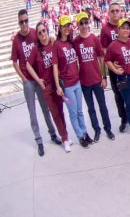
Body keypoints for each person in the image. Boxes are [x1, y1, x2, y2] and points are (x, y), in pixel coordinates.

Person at [11, 9, 60, 156]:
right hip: (28, 81)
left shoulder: (34, 33)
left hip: (39, 78)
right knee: (32, 112)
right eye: (21, 21)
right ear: (19, 23)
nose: (24, 23)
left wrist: (51, 38)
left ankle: (52, 134)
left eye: (26, 20)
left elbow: (46, 39)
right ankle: (39, 140)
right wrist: (24, 78)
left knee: (46, 109)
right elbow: (15, 62)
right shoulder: (16, 40)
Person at [26, 22, 70, 153]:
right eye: (39, 32)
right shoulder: (36, 49)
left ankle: (65, 135)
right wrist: (38, 80)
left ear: (47, 30)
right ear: (37, 35)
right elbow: (27, 65)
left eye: (44, 31)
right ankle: (64, 138)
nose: (42, 34)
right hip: (46, 86)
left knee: (61, 111)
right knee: (55, 113)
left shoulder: (53, 44)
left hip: (57, 83)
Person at [53, 15, 93, 149]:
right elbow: (55, 66)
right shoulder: (57, 45)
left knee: (80, 111)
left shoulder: (70, 42)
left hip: (76, 82)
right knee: (73, 112)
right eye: (64, 26)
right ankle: (80, 136)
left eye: (68, 25)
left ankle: (85, 132)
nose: (67, 28)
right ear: (59, 28)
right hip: (67, 86)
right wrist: (58, 85)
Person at [73, 11, 113, 141]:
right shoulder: (76, 42)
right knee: (91, 109)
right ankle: (97, 129)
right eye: (81, 23)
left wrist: (103, 77)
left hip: (96, 79)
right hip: (84, 82)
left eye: (85, 22)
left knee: (102, 106)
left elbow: (101, 58)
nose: (84, 25)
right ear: (78, 25)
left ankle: (108, 128)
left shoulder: (94, 39)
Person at [99, 2, 130, 132]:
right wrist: (105, 72)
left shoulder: (126, 25)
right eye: (112, 11)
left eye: (117, 11)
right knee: (119, 94)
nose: (115, 13)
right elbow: (103, 51)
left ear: (121, 12)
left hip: (128, 66)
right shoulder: (105, 29)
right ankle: (124, 118)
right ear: (109, 13)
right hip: (114, 69)